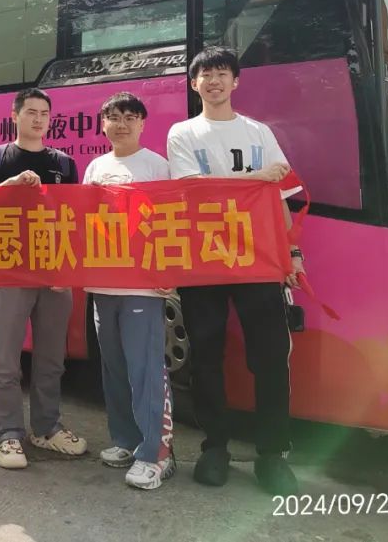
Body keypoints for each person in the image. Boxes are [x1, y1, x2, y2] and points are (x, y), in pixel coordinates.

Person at [166, 46, 304, 497]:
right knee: (206, 356)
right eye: (205, 74)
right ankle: (215, 448)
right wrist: (256, 178)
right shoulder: (183, 133)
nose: (214, 80)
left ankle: (272, 454)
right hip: (203, 256)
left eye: (222, 73)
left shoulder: (259, 132)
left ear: (236, 81)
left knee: (270, 357)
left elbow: (279, 198)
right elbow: (192, 189)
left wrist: (293, 252)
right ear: (194, 84)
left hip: (259, 257)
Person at [0, 88, 86, 470]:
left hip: (54, 271)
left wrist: (68, 269)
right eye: (31, 112)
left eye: (44, 114)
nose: (38, 119)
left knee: (51, 357)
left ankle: (46, 428)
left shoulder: (64, 163)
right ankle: (9, 433)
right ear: (15, 115)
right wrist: (9, 185)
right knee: (6, 359)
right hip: (9, 270)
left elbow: (75, 216)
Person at [83, 92, 176, 490]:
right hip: (103, 284)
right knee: (115, 366)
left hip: (143, 286)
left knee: (145, 369)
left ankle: (157, 453)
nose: (121, 124)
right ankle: (126, 439)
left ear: (142, 123)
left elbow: (171, 221)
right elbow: (83, 222)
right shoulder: (96, 167)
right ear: (103, 123)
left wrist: (169, 270)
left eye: (129, 117)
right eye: (114, 117)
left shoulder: (157, 165)